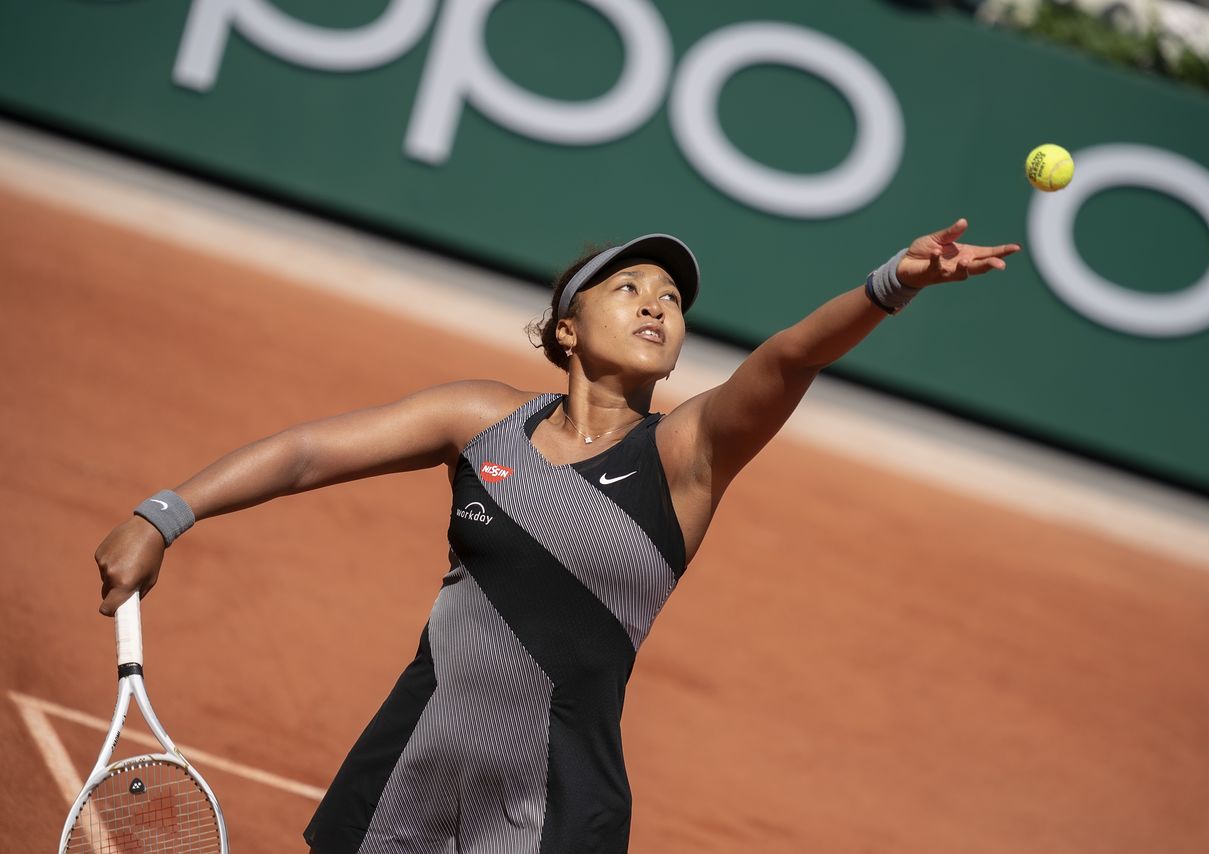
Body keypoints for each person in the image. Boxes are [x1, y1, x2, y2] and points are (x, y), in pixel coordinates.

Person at [94, 219, 1019, 854]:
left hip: (556, 805)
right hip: (411, 764)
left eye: (671, 298)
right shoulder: (478, 419)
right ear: (567, 330)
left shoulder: (687, 456)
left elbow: (789, 357)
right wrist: (163, 515)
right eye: (630, 289)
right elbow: (304, 453)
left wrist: (892, 283)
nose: (658, 305)